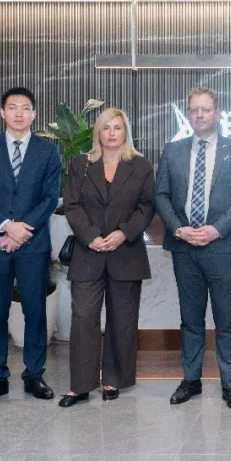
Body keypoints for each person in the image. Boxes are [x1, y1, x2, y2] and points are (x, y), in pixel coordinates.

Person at [155, 87, 231, 410]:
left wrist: (215, 230)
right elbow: (161, 195)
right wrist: (178, 229)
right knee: (190, 318)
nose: (199, 115)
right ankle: (191, 379)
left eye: (205, 109)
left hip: (222, 246)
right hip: (184, 247)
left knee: (227, 319)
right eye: (194, 110)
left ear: (218, 113)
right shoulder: (173, 150)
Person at [0, 86, 62, 405]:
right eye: (12, 107)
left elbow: (50, 197)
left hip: (33, 245)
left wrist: (22, 230)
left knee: (35, 311)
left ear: (34, 114)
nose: (19, 113)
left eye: (25, 108)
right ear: (2, 112)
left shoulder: (48, 151)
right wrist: (7, 227)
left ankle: (34, 374)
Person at [60, 108, 155, 407]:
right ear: (97, 133)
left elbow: (147, 207)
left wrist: (123, 234)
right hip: (88, 253)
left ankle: (114, 379)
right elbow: (72, 205)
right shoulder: (81, 165)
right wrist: (90, 236)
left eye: (117, 127)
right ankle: (81, 385)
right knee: (83, 318)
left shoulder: (141, 166)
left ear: (126, 132)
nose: (111, 133)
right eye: (105, 128)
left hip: (125, 253)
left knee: (122, 320)